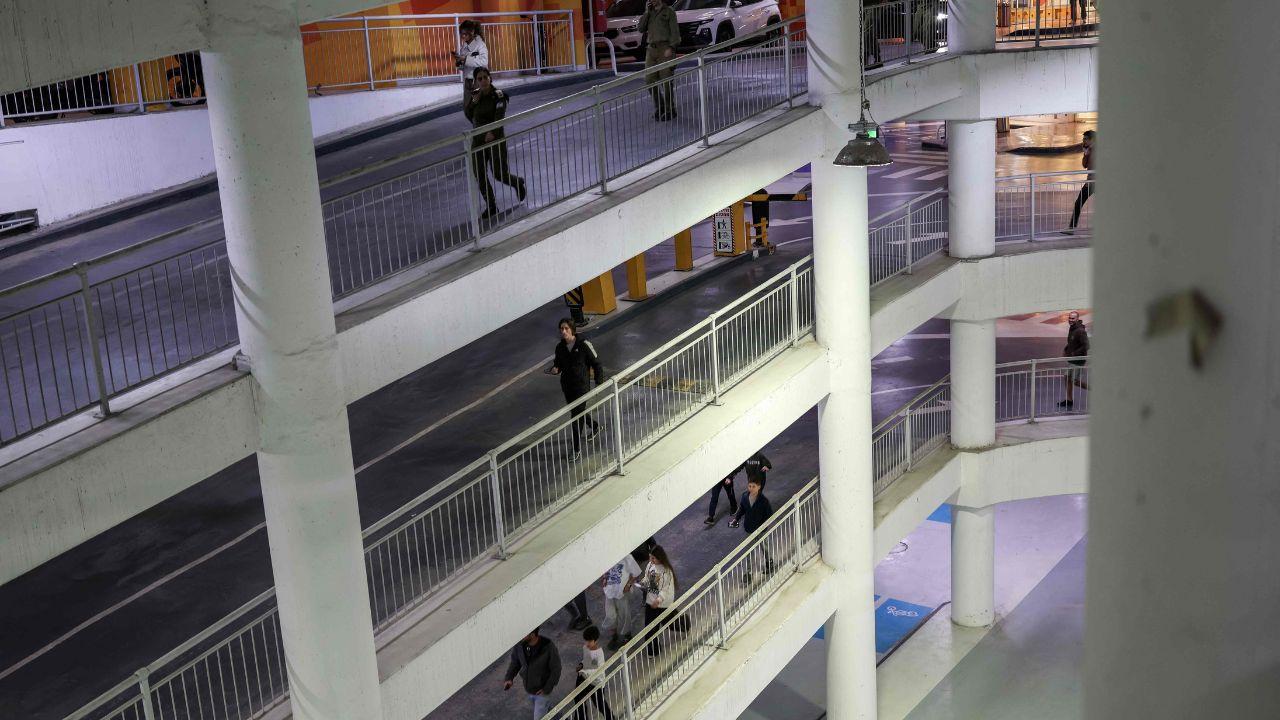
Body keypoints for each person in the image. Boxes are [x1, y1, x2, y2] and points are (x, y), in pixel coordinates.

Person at [463, 67, 528, 221]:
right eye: (480, 78)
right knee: (479, 174)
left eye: (485, 77)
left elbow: (499, 117)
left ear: (490, 78)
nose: (483, 80)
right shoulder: (475, 96)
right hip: (478, 141)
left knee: (499, 174)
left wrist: (491, 132)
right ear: (476, 81)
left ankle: (517, 182)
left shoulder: (498, 95)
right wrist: (473, 101)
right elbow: (469, 115)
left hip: (495, 138)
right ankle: (491, 206)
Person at [550, 317, 606, 460]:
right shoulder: (560, 347)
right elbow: (558, 364)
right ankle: (594, 426)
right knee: (577, 412)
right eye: (561, 329)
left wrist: (599, 383)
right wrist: (556, 369)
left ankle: (575, 449)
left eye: (566, 328)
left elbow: (597, 363)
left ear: (572, 330)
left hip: (581, 387)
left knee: (575, 417)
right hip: (567, 387)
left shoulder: (584, 345)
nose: (563, 331)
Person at [503, 627, 562, 720]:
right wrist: (509, 678)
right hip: (529, 688)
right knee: (547, 709)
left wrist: (547, 688)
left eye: (524, 634)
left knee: (540, 716)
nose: (520, 636)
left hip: (542, 691)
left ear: (533, 635)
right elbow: (515, 662)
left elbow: (556, 669)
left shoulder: (548, 647)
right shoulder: (519, 645)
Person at [638, 0, 679, 121]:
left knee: (666, 81)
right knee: (649, 79)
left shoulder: (669, 11)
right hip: (651, 50)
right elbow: (641, 28)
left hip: (665, 48)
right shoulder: (649, 12)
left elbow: (675, 32)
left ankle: (670, 109)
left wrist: (671, 47)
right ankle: (660, 107)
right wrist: (646, 12)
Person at [731, 477, 775, 583]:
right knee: (749, 551)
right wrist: (736, 519)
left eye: (753, 486)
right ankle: (749, 573)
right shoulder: (744, 497)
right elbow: (742, 509)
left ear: (759, 487)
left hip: (761, 530)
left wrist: (762, 526)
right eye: (749, 486)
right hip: (749, 529)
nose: (751, 488)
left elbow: (769, 515)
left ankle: (769, 563)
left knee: (764, 548)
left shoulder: (763, 501)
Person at [573, 626, 616, 720]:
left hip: (596, 683)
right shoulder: (585, 648)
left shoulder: (598, 654)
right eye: (586, 641)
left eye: (589, 641)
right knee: (578, 700)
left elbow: (595, 670)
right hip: (584, 677)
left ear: (595, 640)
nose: (587, 644)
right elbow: (586, 661)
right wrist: (581, 665)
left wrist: (583, 670)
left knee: (600, 704)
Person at [601, 553, 642, 649]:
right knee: (610, 615)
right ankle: (614, 634)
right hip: (609, 590)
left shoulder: (627, 557)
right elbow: (604, 569)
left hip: (622, 592)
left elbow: (636, 572)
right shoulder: (606, 554)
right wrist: (604, 577)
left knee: (623, 614)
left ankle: (626, 635)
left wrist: (629, 585)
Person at [1062, 129, 1095, 235]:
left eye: (1085, 139)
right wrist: (1086, 154)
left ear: (1092, 140)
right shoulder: (1089, 150)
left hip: (1094, 182)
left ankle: (1071, 228)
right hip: (1091, 181)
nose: (1083, 141)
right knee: (1078, 203)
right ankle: (1071, 228)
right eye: (1083, 139)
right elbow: (1085, 165)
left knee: (1078, 203)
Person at [642, 545, 677, 636]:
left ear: (660, 558)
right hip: (651, 601)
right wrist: (643, 582)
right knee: (649, 630)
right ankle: (653, 646)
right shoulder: (650, 565)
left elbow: (665, 589)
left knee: (671, 624)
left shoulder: (666, 571)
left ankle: (685, 625)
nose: (651, 560)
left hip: (663, 603)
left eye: (653, 558)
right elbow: (647, 577)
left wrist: (658, 600)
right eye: (650, 557)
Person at [1059, 310, 1090, 409]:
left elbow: (1087, 345)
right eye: (1069, 318)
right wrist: (1066, 349)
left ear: (1077, 319)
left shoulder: (1080, 331)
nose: (1070, 320)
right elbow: (1071, 342)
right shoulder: (1072, 328)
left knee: (1075, 381)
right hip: (1073, 359)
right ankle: (1069, 400)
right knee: (1067, 377)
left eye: (1073, 318)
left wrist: (1074, 353)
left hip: (1078, 360)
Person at [454, 20, 490, 100]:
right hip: (468, 80)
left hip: (479, 80)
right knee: (468, 104)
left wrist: (465, 59)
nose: (463, 36)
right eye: (461, 33)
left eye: (465, 34)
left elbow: (484, 61)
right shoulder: (464, 47)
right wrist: (459, 63)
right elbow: (465, 66)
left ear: (472, 32)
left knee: (479, 103)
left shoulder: (480, 45)